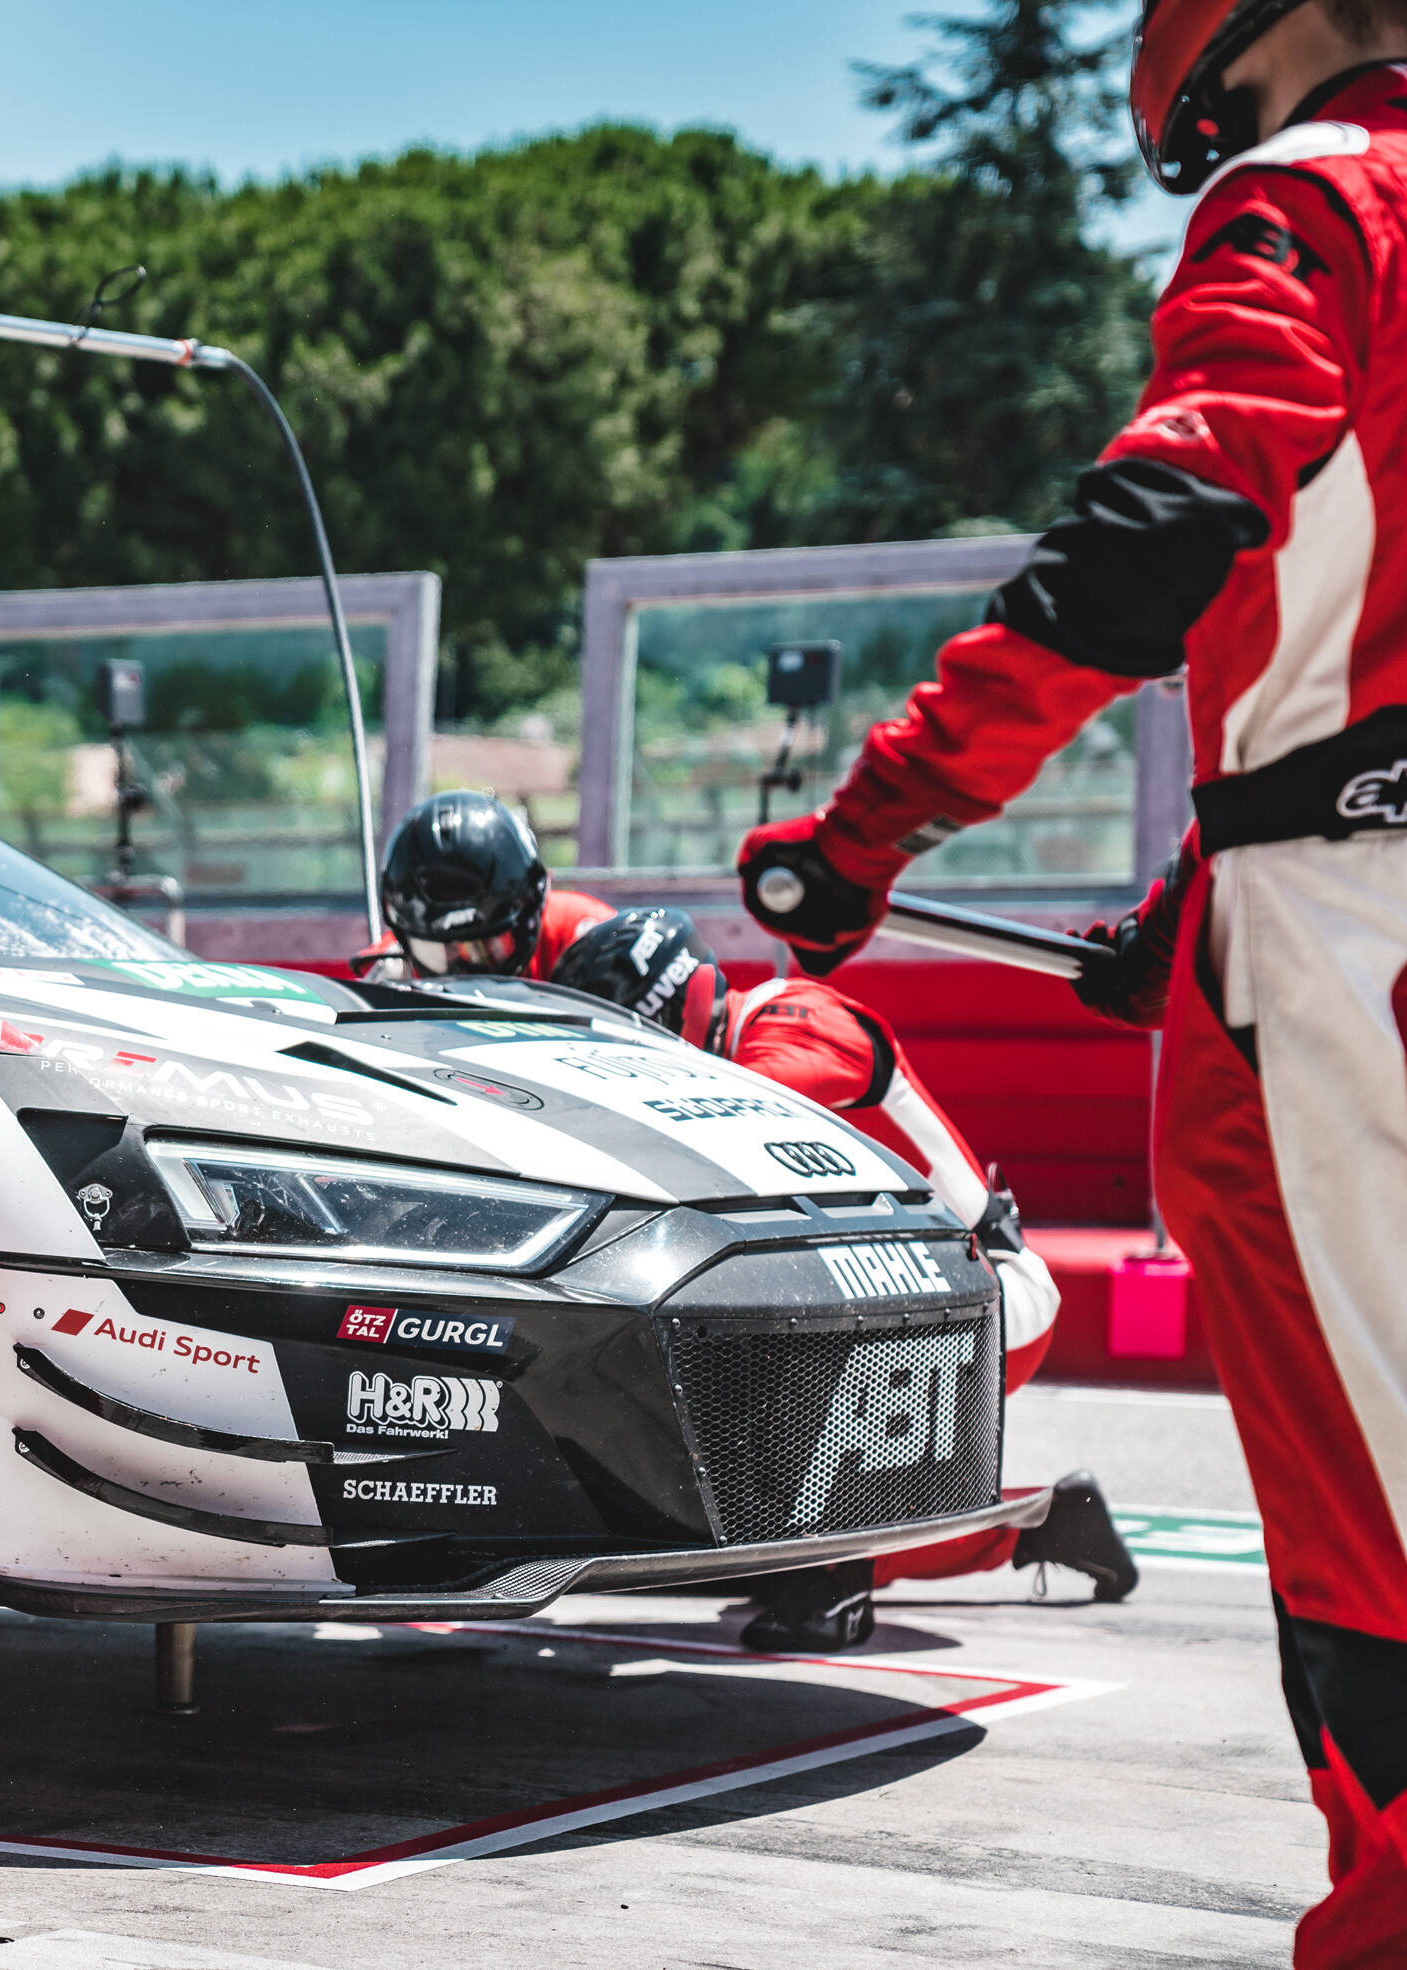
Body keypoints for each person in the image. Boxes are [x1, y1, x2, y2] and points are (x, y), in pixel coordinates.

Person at [736, 4, 1407, 1949]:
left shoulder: (1312, 199)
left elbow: (1155, 536)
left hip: (1352, 964)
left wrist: (868, 823)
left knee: (1371, 1512)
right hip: (1303, 897)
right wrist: (1195, 910)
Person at [553, 909, 1138, 1650]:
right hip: (909, 1296)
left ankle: (835, 1584)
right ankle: (1042, 1525)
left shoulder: (796, 1018)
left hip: (985, 1294)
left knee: (776, 1399)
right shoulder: (738, 1045)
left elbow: (737, 1106)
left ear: (677, 1005)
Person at [355, 790, 613, 982]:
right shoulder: (389, 971)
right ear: (407, 939)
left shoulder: (589, 937)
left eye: (485, 949)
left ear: (531, 913)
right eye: (440, 952)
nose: (464, 971)